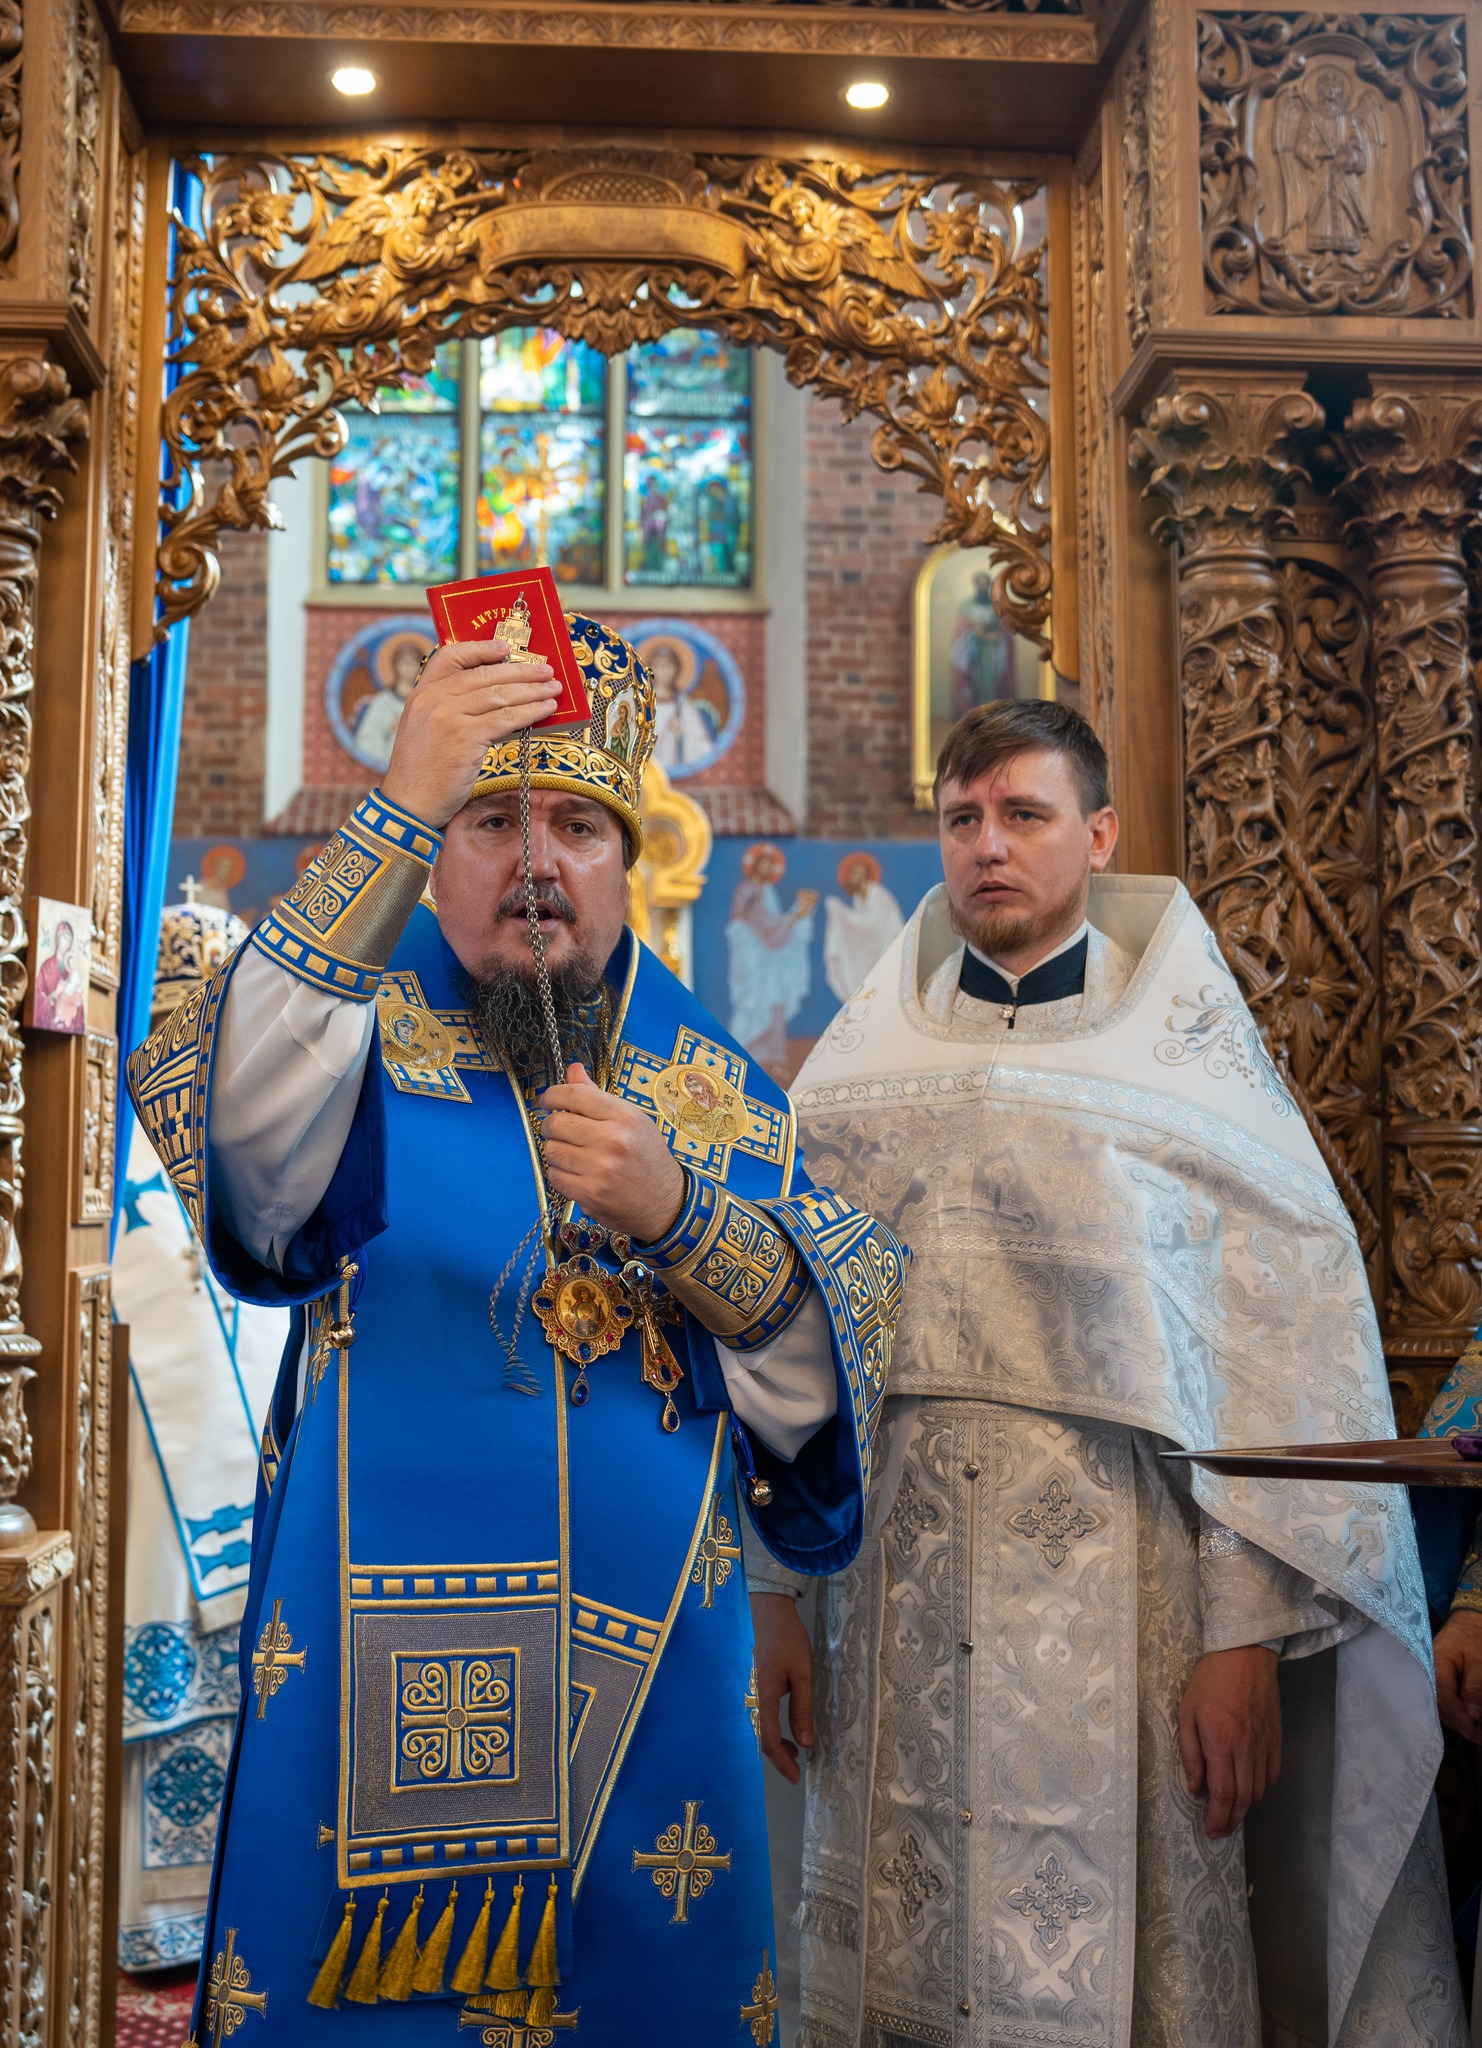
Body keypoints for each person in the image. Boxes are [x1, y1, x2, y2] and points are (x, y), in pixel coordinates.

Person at [127, 612, 906, 2046]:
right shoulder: (342, 1037)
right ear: (434, 849)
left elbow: (825, 1383)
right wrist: (398, 797)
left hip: (653, 1686)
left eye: (578, 827)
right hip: (361, 1676)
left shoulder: (717, 1091)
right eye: (489, 820)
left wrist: (682, 1213)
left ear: (630, 864)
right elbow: (251, 1162)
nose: (536, 862)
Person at [750, 698, 1464, 2048]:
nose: (987, 846)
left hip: (1125, 1607)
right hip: (885, 1605)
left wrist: (1242, 1640)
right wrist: (773, 1596)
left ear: (1097, 834)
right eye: (962, 819)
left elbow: (1271, 1363)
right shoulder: (855, 1074)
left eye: (1023, 814)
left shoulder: (1194, 1075)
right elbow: (793, 1346)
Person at [113, 896, 286, 1972]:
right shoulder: (101, 1151)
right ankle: (148, 1916)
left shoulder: (260, 1138)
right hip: (140, 1462)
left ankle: (235, 1903)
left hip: (258, 1446)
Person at [727, 843, 818, 1079]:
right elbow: (760, 924)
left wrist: (797, 916)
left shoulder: (768, 891)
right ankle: (743, 1057)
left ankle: (775, 1058)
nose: (766, 869)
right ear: (755, 867)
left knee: (775, 1002)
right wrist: (794, 916)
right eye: (763, 865)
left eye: (770, 866)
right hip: (753, 956)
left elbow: (772, 926)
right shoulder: (747, 890)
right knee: (753, 1005)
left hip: (769, 958)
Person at [822, 852, 904, 1005]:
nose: (854, 877)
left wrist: (841, 912)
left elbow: (869, 925)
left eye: (858, 873)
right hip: (870, 951)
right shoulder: (858, 898)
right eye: (852, 873)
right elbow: (861, 930)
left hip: (885, 947)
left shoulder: (878, 894)